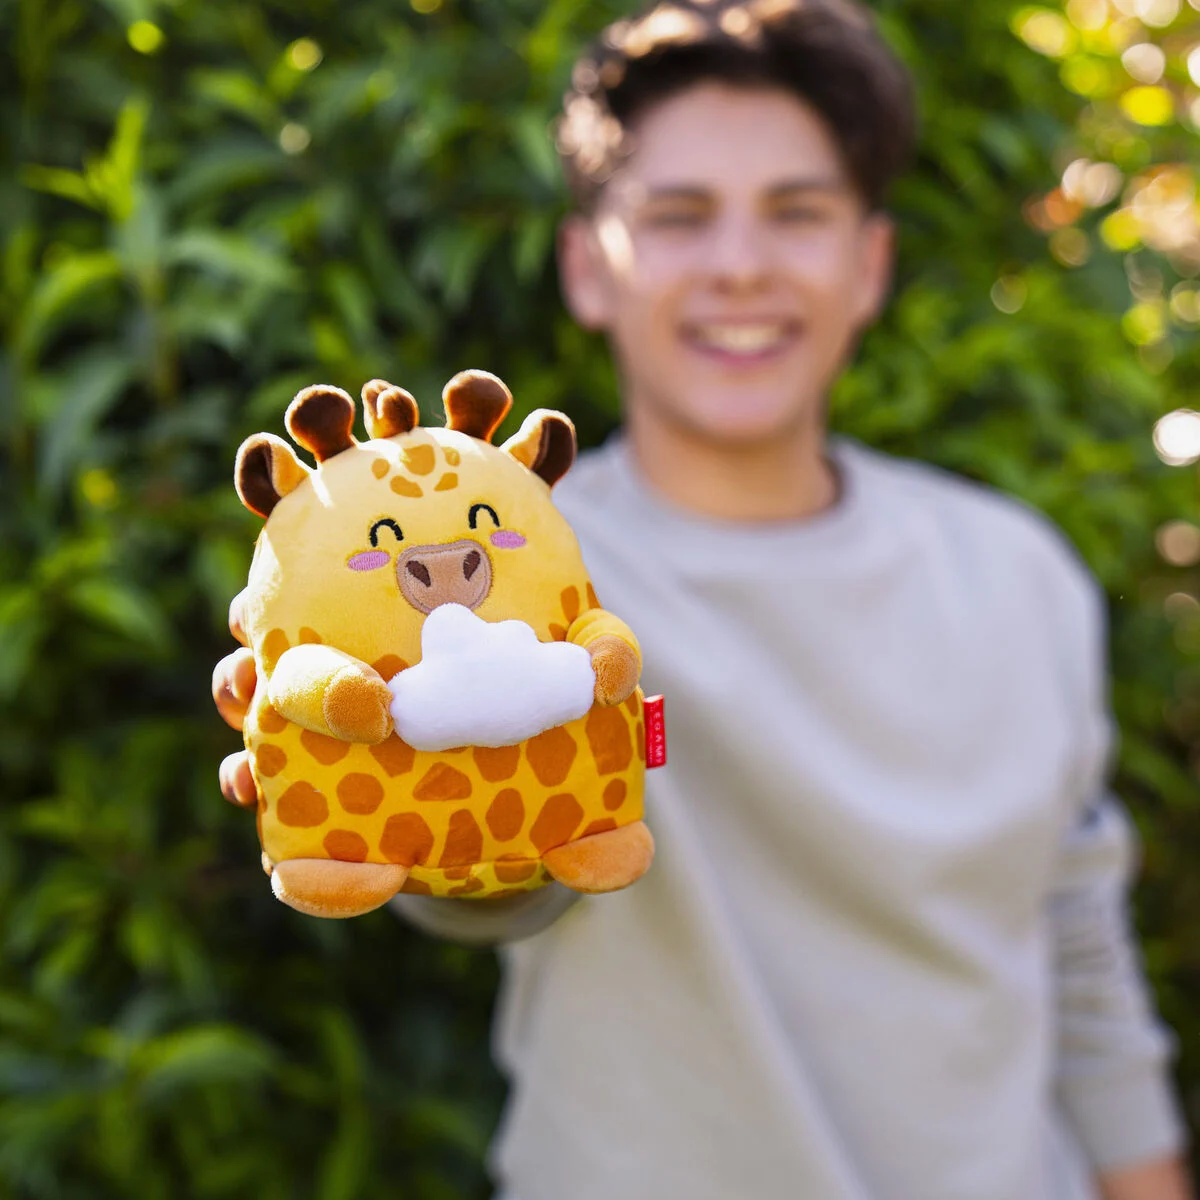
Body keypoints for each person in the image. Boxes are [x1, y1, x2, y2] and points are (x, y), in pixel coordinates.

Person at [212, 1, 1194, 1196]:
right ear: (587, 266)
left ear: (869, 264)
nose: (739, 265)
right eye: (678, 215)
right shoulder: (525, 574)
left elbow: (1079, 949)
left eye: (798, 212)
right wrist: (366, 776)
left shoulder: (1017, 574)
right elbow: (500, 874)